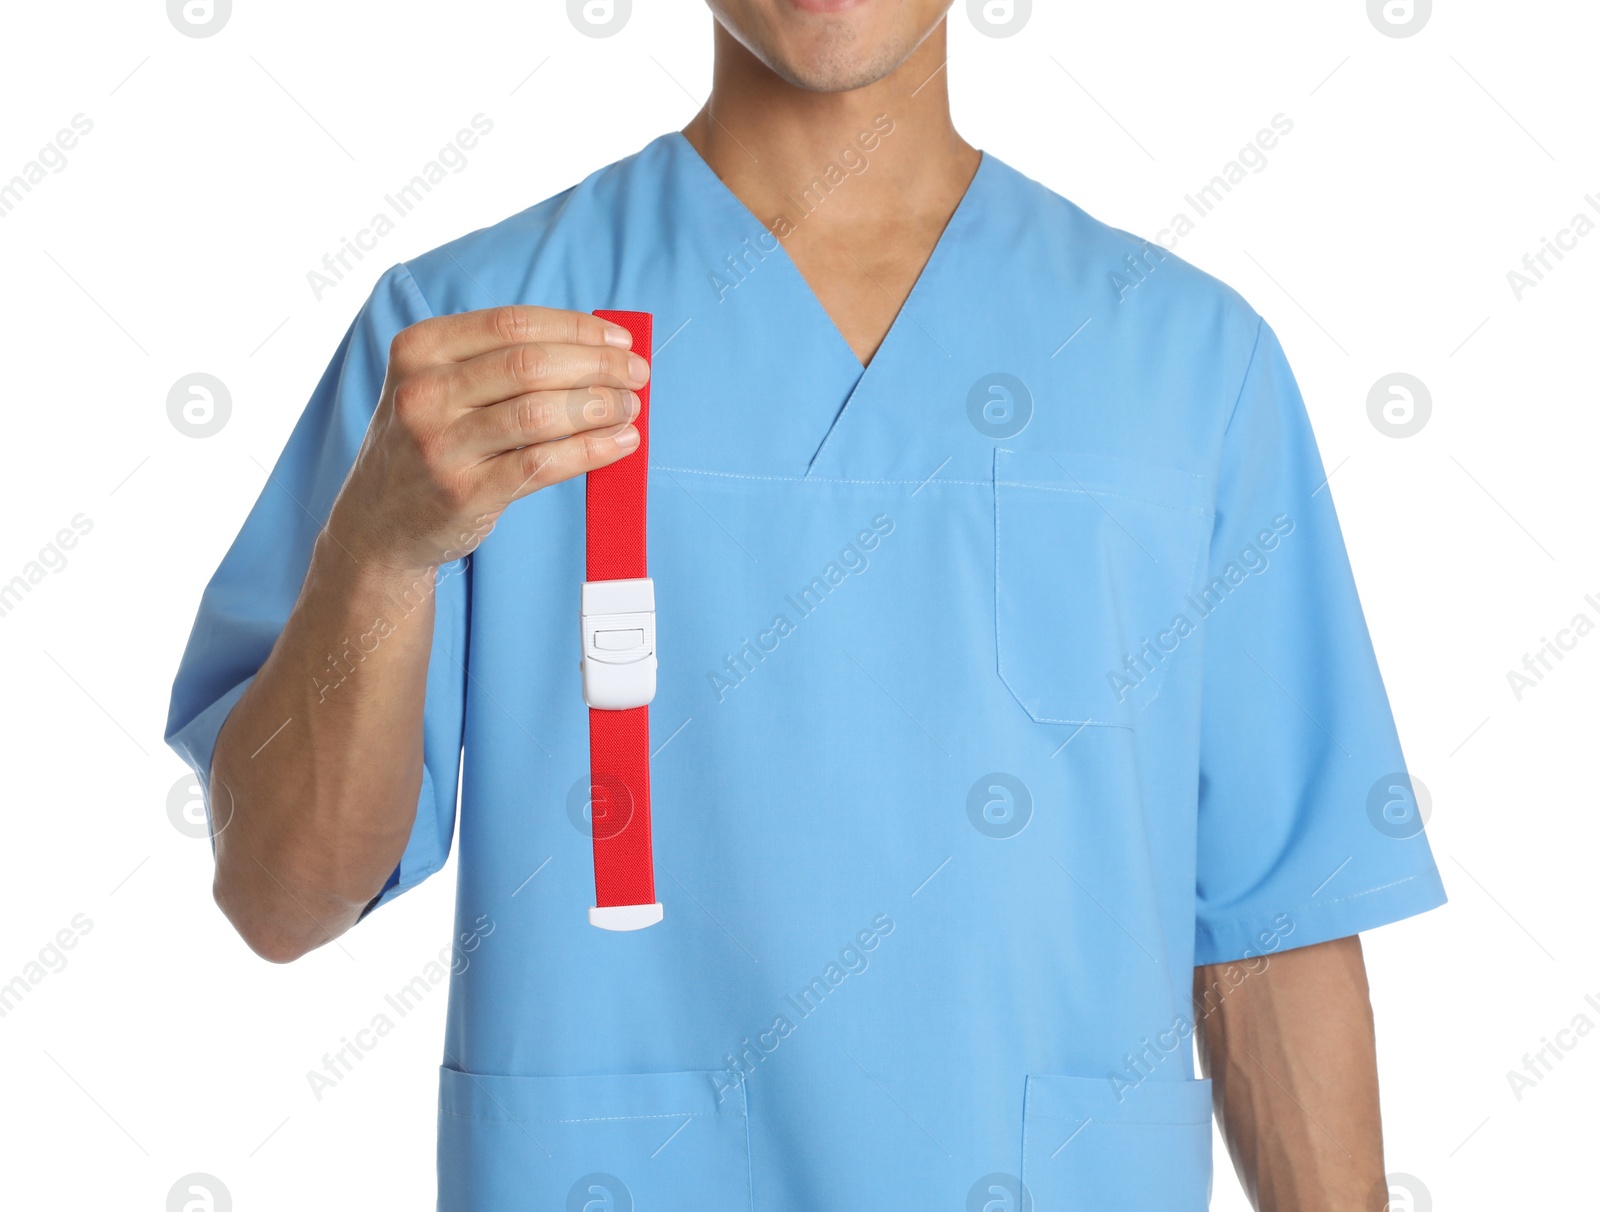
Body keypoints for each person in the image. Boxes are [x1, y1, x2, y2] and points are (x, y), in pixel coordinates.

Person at [165, 2, 1447, 1208]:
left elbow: (1275, 925)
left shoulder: (1185, 363)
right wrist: (378, 554)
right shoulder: (468, 352)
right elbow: (279, 901)